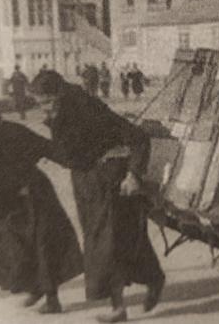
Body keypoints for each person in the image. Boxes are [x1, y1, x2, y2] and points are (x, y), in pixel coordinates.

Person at [30, 71, 165, 323]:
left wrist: (134, 174)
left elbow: (137, 137)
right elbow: (70, 156)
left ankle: (120, 308)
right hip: (88, 188)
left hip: (113, 182)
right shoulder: (61, 116)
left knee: (107, 245)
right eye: (39, 104)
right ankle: (154, 278)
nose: (43, 109)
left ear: (58, 94)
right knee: (121, 242)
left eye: (45, 102)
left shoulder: (89, 110)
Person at [0, 87, 83, 314]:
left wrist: (80, 158)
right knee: (6, 252)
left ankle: (52, 298)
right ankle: (35, 286)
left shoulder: (11, 132)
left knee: (43, 247)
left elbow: (48, 149)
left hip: (30, 198)